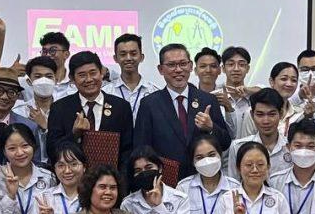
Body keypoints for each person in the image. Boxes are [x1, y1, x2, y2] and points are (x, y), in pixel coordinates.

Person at [134, 44, 231, 177]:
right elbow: (142, 148)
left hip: (204, 178)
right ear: (161, 69)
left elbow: (225, 142)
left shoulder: (207, 100)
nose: (178, 70)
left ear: (191, 66)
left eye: (183, 64)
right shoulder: (149, 104)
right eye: (171, 65)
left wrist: (211, 127)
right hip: (166, 180)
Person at [46, 51, 134, 170]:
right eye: (82, 75)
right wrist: (74, 134)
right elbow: (52, 150)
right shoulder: (60, 108)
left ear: (101, 73)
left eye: (93, 73)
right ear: (72, 78)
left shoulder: (121, 107)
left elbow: (127, 151)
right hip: (73, 181)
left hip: (111, 183)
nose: (89, 79)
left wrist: (120, 182)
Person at [227, 88, 291, 179]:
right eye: (260, 115)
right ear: (252, 115)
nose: (266, 121)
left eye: (271, 114)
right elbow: (234, 183)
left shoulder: (291, 147)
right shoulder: (238, 147)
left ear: (280, 114)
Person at [104, 33, 158, 123]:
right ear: (115, 58)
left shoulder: (154, 92)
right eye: (123, 54)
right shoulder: (105, 92)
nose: (128, 58)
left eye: (133, 53)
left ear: (142, 57)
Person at [12, 55, 58, 160]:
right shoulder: (19, 112)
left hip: (58, 167)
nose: (44, 81)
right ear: (29, 81)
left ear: (55, 79)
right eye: (38, 76)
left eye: (49, 76)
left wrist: (45, 127)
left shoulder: (64, 109)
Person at [213, 45, 259, 136]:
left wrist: (248, 90)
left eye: (241, 65)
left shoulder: (254, 96)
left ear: (248, 69)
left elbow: (267, 91)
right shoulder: (214, 95)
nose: (236, 69)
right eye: (231, 64)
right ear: (223, 69)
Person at [36, 31, 78, 100]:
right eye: (44, 51)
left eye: (53, 50)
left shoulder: (76, 81)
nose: (48, 55)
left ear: (66, 54)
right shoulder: (32, 80)